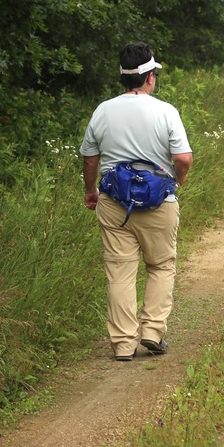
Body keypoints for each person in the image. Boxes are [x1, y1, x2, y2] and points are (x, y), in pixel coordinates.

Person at [80, 42, 193, 362]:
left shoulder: (103, 110)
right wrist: (177, 180)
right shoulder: (165, 111)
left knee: (119, 270)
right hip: (159, 201)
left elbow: (90, 158)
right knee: (160, 266)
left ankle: (122, 344)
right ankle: (153, 331)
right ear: (150, 77)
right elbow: (182, 158)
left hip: (115, 202)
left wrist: (91, 190)